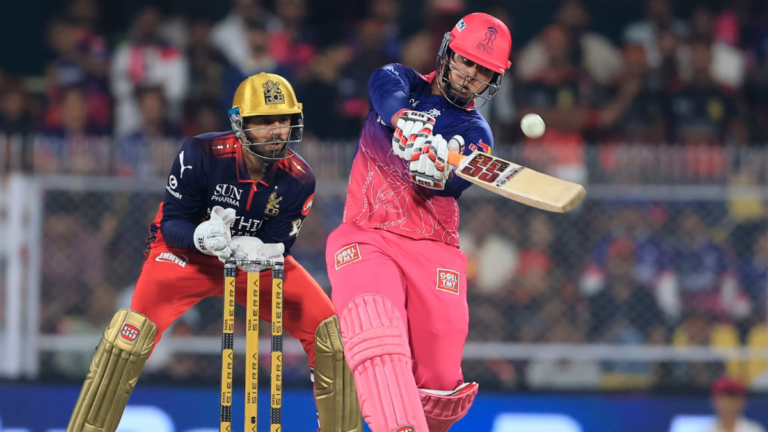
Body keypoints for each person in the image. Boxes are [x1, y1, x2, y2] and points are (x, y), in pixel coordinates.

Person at [66, 73, 362, 432]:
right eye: (265, 121)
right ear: (240, 124)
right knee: (129, 334)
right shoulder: (201, 153)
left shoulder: (299, 178)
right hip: (187, 255)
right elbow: (171, 224)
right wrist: (201, 238)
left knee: (331, 335)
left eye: (284, 120)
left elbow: (281, 246)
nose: (277, 130)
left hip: (252, 262)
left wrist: (261, 248)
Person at [325, 12, 512, 432]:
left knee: (442, 380)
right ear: (447, 52)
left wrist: (436, 170)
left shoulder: (476, 131)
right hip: (368, 234)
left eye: (483, 71)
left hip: (433, 248)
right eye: (465, 61)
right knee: (378, 337)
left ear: (491, 82)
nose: (469, 76)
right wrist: (404, 122)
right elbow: (383, 88)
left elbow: (453, 183)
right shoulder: (402, 80)